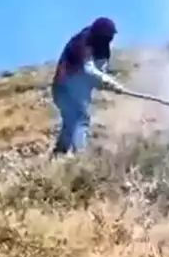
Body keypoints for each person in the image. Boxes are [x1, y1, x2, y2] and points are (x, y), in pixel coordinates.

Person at [50, 17, 125, 156]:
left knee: (71, 122)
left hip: (79, 91)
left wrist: (109, 85)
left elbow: (99, 74)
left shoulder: (103, 48)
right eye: (108, 37)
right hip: (63, 89)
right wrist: (111, 83)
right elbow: (88, 71)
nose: (110, 40)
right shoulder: (82, 42)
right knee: (80, 117)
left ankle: (58, 154)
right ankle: (80, 155)